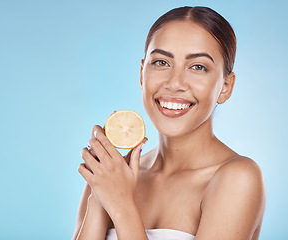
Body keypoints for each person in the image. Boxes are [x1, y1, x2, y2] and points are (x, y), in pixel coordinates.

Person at [72, 6, 266, 240]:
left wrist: (121, 205)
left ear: (225, 87)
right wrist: (99, 195)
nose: (175, 83)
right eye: (162, 62)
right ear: (142, 73)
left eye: (198, 67)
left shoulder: (238, 179)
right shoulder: (111, 175)